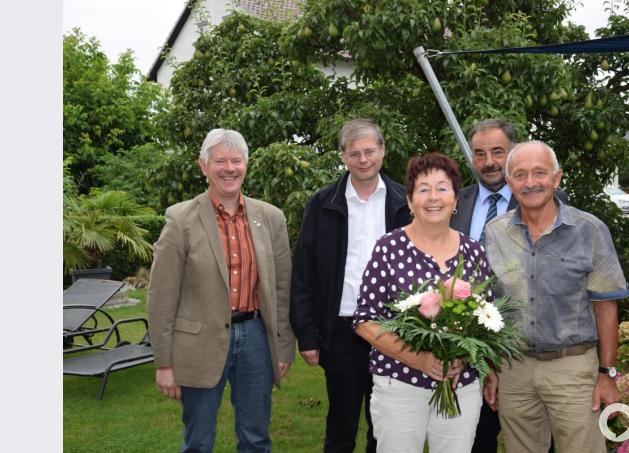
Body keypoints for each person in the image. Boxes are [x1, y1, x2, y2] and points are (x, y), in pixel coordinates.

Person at [147, 128, 295, 452]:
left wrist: (283, 347)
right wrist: (164, 363)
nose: (229, 168)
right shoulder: (180, 219)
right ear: (203, 166)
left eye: (236, 161)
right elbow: (161, 296)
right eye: (220, 161)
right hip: (198, 342)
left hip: (256, 338)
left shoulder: (271, 218)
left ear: (246, 165)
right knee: (198, 442)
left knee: (256, 439)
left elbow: (282, 289)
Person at [482, 140, 629, 453]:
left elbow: (606, 306)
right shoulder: (494, 233)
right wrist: (491, 367)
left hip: (572, 368)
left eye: (540, 172)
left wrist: (607, 373)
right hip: (514, 370)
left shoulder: (589, 230)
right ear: (509, 182)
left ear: (557, 177)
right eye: (520, 175)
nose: (530, 182)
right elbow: (488, 306)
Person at [353, 152, 493, 453]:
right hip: (399, 384)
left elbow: (487, 318)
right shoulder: (388, 248)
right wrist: (418, 359)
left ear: (455, 200)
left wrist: (460, 357)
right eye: (423, 189)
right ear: (410, 200)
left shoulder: (473, 252)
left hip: (460, 385)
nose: (433, 198)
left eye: (442, 188)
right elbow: (365, 320)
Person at [290, 119, 410, 453]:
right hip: (342, 329)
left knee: (384, 426)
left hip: (394, 327)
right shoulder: (322, 203)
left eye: (369, 151)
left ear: (383, 150)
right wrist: (307, 336)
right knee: (341, 427)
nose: (363, 159)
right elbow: (304, 273)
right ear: (343, 156)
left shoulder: (405, 201)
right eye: (354, 153)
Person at [451, 119, 569, 452]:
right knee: (475, 439)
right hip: (469, 348)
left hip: (527, 349)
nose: (488, 161)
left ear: (513, 152)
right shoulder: (455, 202)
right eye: (479, 153)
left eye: (497, 152)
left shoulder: (548, 200)